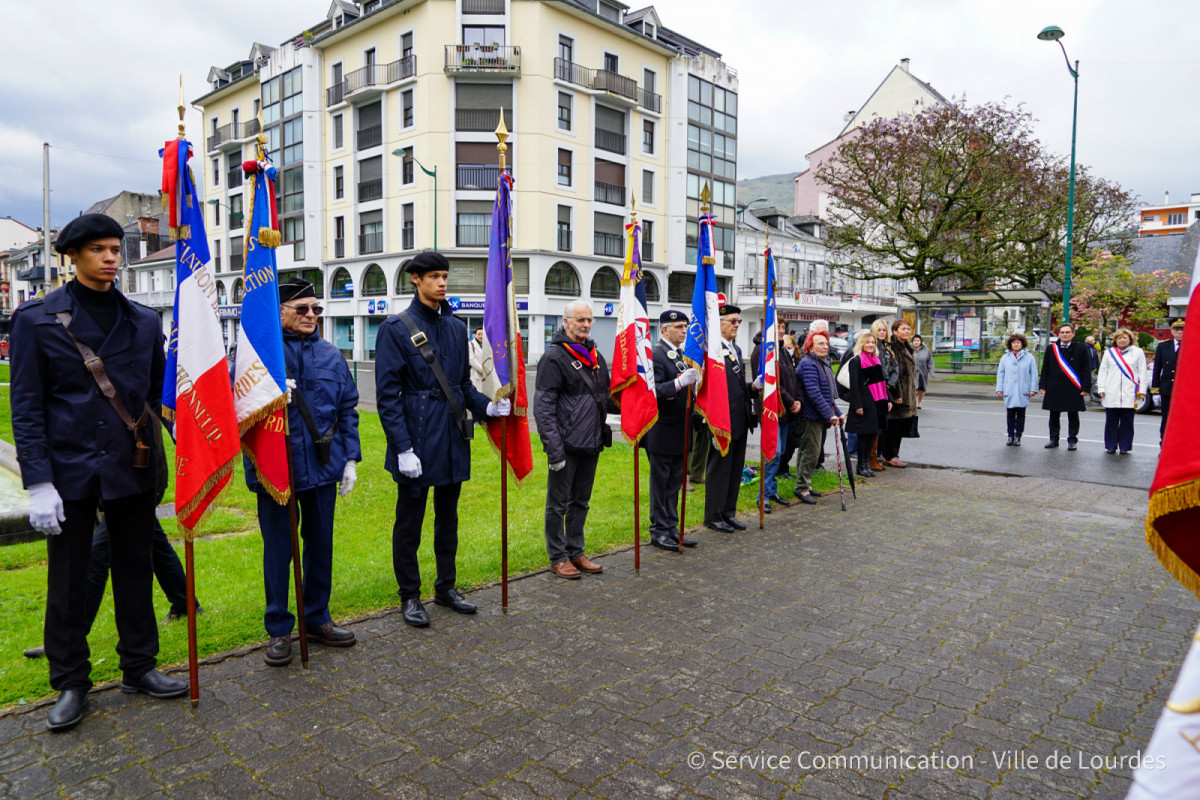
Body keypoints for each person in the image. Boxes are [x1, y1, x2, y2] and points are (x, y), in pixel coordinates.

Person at [10, 213, 186, 731]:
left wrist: (190, 436)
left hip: (132, 465)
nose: (111, 257)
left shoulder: (143, 320)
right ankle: (70, 682)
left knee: (134, 569)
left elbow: (158, 395)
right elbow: (27, 405)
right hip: (69, 470)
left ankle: (140, 666)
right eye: (99, 249)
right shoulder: (37, 319)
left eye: (116, 249)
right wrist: (38, 482)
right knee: (68, 580)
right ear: (73, 255)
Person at [376, 253, 509, 624]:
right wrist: (402, 448)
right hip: (416, 436)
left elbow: (463, 384)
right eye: (434, 276)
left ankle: (446, 587)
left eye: (445, 276)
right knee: (409, 523)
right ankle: (410, 596)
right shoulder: (395, 328)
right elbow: (387, 397)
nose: (442, 283)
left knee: (447, 519)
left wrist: (487, 408)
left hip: (451, 434)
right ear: (415, 279)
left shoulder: (454, 326)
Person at [248, 277, 362, 666]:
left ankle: (317, 618)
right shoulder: (259, 355)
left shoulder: (331, 354)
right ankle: (279, 629)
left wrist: (350, 459)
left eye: (316, 309)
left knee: (320, 547)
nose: (312, 315)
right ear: (279, 312)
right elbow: (242, 416)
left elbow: (348, 409)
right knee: (279, 552)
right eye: (302, 309)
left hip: (323, 467)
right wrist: (270, 394)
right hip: (277, 470)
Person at [535, 300, 615, 577]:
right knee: (557, 505)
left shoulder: (596, 356)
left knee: (581, 501)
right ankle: (558, 557)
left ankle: (576, 551)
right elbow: (543, 408)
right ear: (566, 321)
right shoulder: (554, 357)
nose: (586, 325)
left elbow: (605, 397)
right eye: (580, 320)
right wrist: (554, 450)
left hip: (591, 443)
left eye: (589, 320)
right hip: (566, 445)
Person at [644, 310, 700, 550]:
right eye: (678, 326)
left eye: (685, 326)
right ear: (664, 329)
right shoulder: (656, 355)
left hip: (680, 430)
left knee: (675, 483)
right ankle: (659, 531)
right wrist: (678, 383)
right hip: (661, 431)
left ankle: (672, 528)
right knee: (661, 484)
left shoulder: (681, 355)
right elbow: (652, 391)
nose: (683, 330)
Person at [703, 300, 756, 532]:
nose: (736, 325)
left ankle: (728, 512)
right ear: (719, 323)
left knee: (735, 468)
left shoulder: (736, 349)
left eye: (739, 321)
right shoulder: (712, 351)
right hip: (721, 419)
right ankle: (713, 515)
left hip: (739, 418)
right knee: (719, 470)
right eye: (732, 321)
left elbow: (735, 385)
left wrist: (753, 387)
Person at [751, 318, 800, 512]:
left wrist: (798, 400)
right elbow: (770, 382)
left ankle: (771, 490)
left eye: (783, 328)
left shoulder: (783, 350)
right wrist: (791, 401)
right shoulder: (761, 350)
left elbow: (792, 379)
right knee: (773, 452)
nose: (781, 331)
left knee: (780, 454)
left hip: (785, 411)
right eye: (777, 327)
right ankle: (762, 494)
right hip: (771, 409)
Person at [794, 331, 843, 503]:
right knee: (811, 452)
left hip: (818, 415)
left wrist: (837, 412)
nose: (825, 346)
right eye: (820, 343)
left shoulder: (823, 362)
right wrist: (830, 415)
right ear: (810, 346)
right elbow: (814, 393)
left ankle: (804, 484)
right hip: (810, 415)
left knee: (808, 451)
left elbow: (827, 394)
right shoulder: (809, 363)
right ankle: (801, 488)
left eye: (826, 343)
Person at [1039, 322, 1092, 450]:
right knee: (1054, 415)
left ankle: (1072, 440)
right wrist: (1043, 384)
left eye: (1067, 332)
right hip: (1054, 386)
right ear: (1059, 334)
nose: (1065, 334)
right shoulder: (1052, 348)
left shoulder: (1081, 348)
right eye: (1062, 332)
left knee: (1073, 415)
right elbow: (1045, 367)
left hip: (1073, 387)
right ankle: (1053, 439)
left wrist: (1085, 388)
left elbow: (1086, 369)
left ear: (1073, 334)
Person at [845, 332, 891, 478]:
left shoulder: (876, 360)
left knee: (872, 434)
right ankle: (861, 465)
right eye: (867, 342)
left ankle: (867, 463)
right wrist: (857, 404)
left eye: (873, 342)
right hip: (864, 403)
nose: (870, 345)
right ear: (862, 344)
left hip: (877, 402)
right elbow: (854, 385)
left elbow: (882, 382)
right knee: (863, 435)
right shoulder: (856, 361)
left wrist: (888, 399)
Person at [1097, 327, 1147, 455]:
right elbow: (1102, 371)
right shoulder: (1109, 353)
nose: (1122, 340)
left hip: (1130, 393)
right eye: (1119, 338)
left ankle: (1125, 446)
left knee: (1127, 422)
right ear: (1115, 340)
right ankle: (1111, 445)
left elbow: (1142, 371)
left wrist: (1142, 390)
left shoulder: (1138, 352)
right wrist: (1101, 388)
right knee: (1111, 421)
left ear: (1130, 339)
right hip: (1111, 392)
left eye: (1125, 337)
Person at [880, 319, 916, 468]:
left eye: (908, 329)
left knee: (899, 427)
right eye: (903, 329)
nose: (907, 331)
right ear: (895, 332)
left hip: (908, 393)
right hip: (899, 394)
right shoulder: (894, 347)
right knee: (893, 427)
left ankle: (894, 454)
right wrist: (897, 394)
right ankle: (890, 455)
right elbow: (895, 373)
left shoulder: (906, 346)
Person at [995, 333, 1039, 446]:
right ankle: (1010, 435)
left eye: (1018, 342)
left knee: (1021, 415)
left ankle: (1018, 436)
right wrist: (999, 388)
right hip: (1009, 390)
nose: (1016, 344)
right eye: (1013, 342)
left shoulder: (1029, 358)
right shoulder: (1005, 358)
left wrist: (1033, 389)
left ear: (1022, 344)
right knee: (1010, 414)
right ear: (1010, 344)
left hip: (1022, 390)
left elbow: (1034, 374)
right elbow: (1001, 374)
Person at [867, 319, 897, 472]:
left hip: (886, 387)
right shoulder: (872, 347)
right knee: (875, 425)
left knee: (881, 425)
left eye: (884, 330)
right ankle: (870, 458)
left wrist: (889, 384)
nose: (882, 333)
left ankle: (875, 457)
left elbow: (895, 367)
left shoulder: (887, 347)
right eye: (879, 330)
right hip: (876, 387)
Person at [1152, 318, 1184, 444]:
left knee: (1184, 420)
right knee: (1166, 419)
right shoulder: (1163, 346)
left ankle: (1181, 446)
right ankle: (1164, 444)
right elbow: (1156, 369)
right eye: (1177, 329)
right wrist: (1155, 391)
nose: (1180, 332)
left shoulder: (1193, 345)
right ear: (1172, 331)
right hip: (1167, 389)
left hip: (1185, 391)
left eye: (1183, 329)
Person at [776, 333, 802, 478]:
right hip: (784, 407)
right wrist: (791, 402)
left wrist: (798, 400)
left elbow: (796, 382)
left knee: (789, 443)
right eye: (785, 347)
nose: (787, 349)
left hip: (793, 408)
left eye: (789, 347)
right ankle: (779, 470)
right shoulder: (780, 359)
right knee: (780, 446)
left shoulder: (794, 360)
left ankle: (783, 468)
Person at [912, 334, 933, 409]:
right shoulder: (909, 349)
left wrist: (931, 371)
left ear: (921, 341)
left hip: (923, 372)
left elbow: (930, 361)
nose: (916, 342)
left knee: (922, 388)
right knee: (912, 388)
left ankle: (919, 403)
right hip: (912, 373)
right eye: (914, 341)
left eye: (918, 340)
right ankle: (912, 403)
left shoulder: (926, 350)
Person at [468, 326, 486, 392]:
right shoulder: (470, 344)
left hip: (486, 375)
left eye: (482, 334)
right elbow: (471, 360)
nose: (481, 336)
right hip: (475, 375)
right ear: (475, 335)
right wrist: (483, 370)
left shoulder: (487, 345)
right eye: (479, 334)